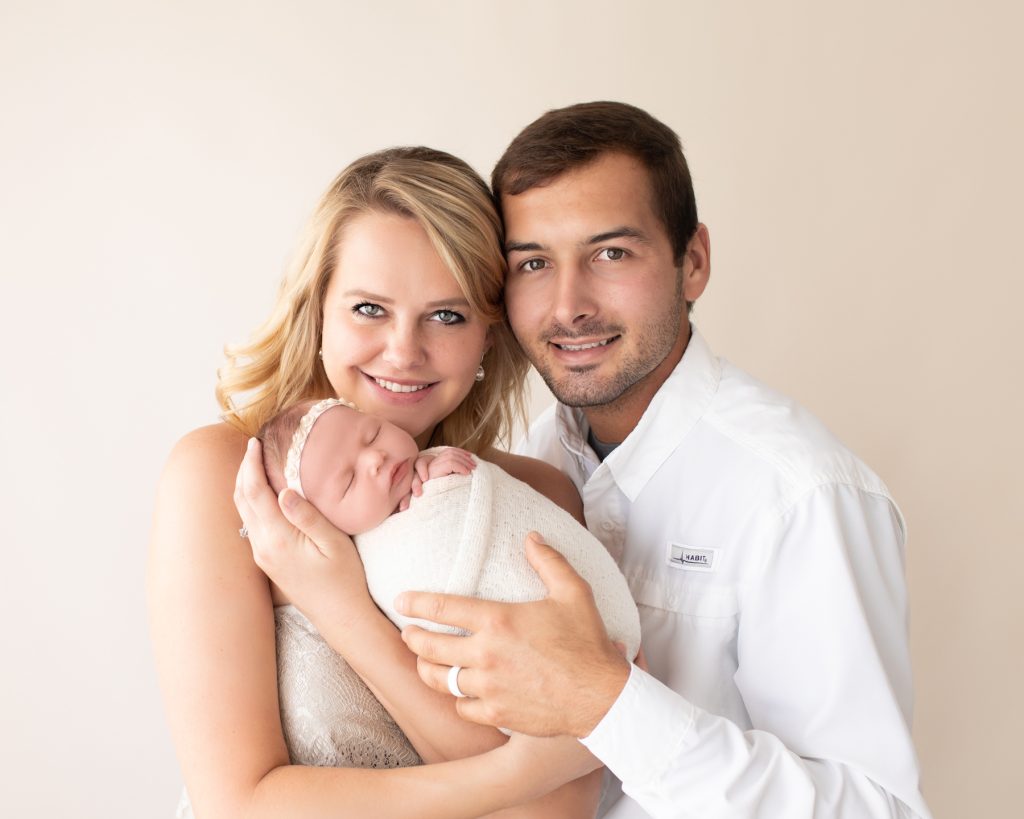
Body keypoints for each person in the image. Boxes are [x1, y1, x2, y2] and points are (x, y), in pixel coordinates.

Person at [390, 103, 935, 818]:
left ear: (694, 261)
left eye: (611, 253)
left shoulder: (802, 494)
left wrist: (609, 702)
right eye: (533, 263)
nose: (569, 305)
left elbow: (877, 809)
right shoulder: (529, 461)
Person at [148, 146, 604, 819]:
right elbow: (240, 803)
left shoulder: (533, 497)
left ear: (488, 335)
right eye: (369, 309)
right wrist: (528, 770)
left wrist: (339, 604)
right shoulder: (224, 477)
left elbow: (555, 813)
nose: (402, 351)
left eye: (446, 315)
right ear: (317, 308)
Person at [258, 397, 640, 664]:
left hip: (596, 625)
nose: (375, 459)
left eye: (372, 434)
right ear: (323, 523)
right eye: (349, 480)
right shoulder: (361, 562)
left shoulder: (434, 469)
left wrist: (439, 467)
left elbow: (486, 496)